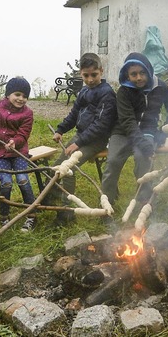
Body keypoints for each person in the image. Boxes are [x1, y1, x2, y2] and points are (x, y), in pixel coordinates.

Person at [101, 52, 168, 208]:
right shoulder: (124, 91)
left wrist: (163, 132)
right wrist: (143, 144)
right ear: (127, 75)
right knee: (112, 162)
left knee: (143, 159)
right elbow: (127, 121)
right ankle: (107, 204)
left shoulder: (160, 86)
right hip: (123, 131)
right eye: (133, 74)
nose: (138, 78)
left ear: (148, 71)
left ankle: (144, 201)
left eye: (142, 73)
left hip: (148, 129)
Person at [50, 53, 117, 225]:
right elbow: (74, 114)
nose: (90, 79)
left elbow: (101, 126)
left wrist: (77, 144)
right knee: (58, 164)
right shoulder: (84, 91)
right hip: (81, 136)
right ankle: (53, 197)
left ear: (101, 71)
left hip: (97, 140)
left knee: (69, 167)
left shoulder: (107, 94)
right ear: (81, 74)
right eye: (86, 75)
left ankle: (67, 213)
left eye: (94, 75)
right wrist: (61, 129)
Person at [0, 77, 38, 232]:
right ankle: (4, 217)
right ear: (8, 94)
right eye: (18, 94)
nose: (21, 99)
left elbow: (23, 134)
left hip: (18, 152)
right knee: (5, 182)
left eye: (25, 96)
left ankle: (31, 215)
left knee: (22, 180)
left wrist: (15, 142)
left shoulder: (27, 113)